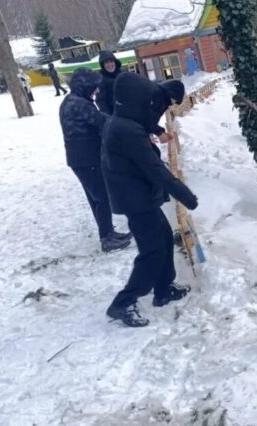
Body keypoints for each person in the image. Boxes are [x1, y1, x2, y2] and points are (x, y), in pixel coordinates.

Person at [101, 72, 197, 327]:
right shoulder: (127, 131)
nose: (151, 105)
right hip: (135, 199)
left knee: (164, 238)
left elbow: (145, 122)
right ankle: (123, 302)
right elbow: (155, 169)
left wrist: (156, 129)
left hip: (138, 194)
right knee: (152, 251)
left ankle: (164, 288)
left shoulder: (124, 120)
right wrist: (186, 196)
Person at [59, 68, 132, 253]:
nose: (97, 91)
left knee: (95, 198)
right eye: (94, 87)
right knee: (102, 197)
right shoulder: (79, 104)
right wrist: (128, 127)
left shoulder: (73, 100)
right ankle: (106, 238)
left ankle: (107, 232)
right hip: (86, 158)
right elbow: (103, 122)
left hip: (80, 158)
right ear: (84, 86)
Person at [96, 50, 122, 115]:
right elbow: (101, 101)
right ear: (103, 65)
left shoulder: (122, 74)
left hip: (127, 110)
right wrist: (108, 117)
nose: (110, 64)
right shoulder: (101, 79)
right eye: (106, 62)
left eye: (111, 61)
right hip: (113, 113)